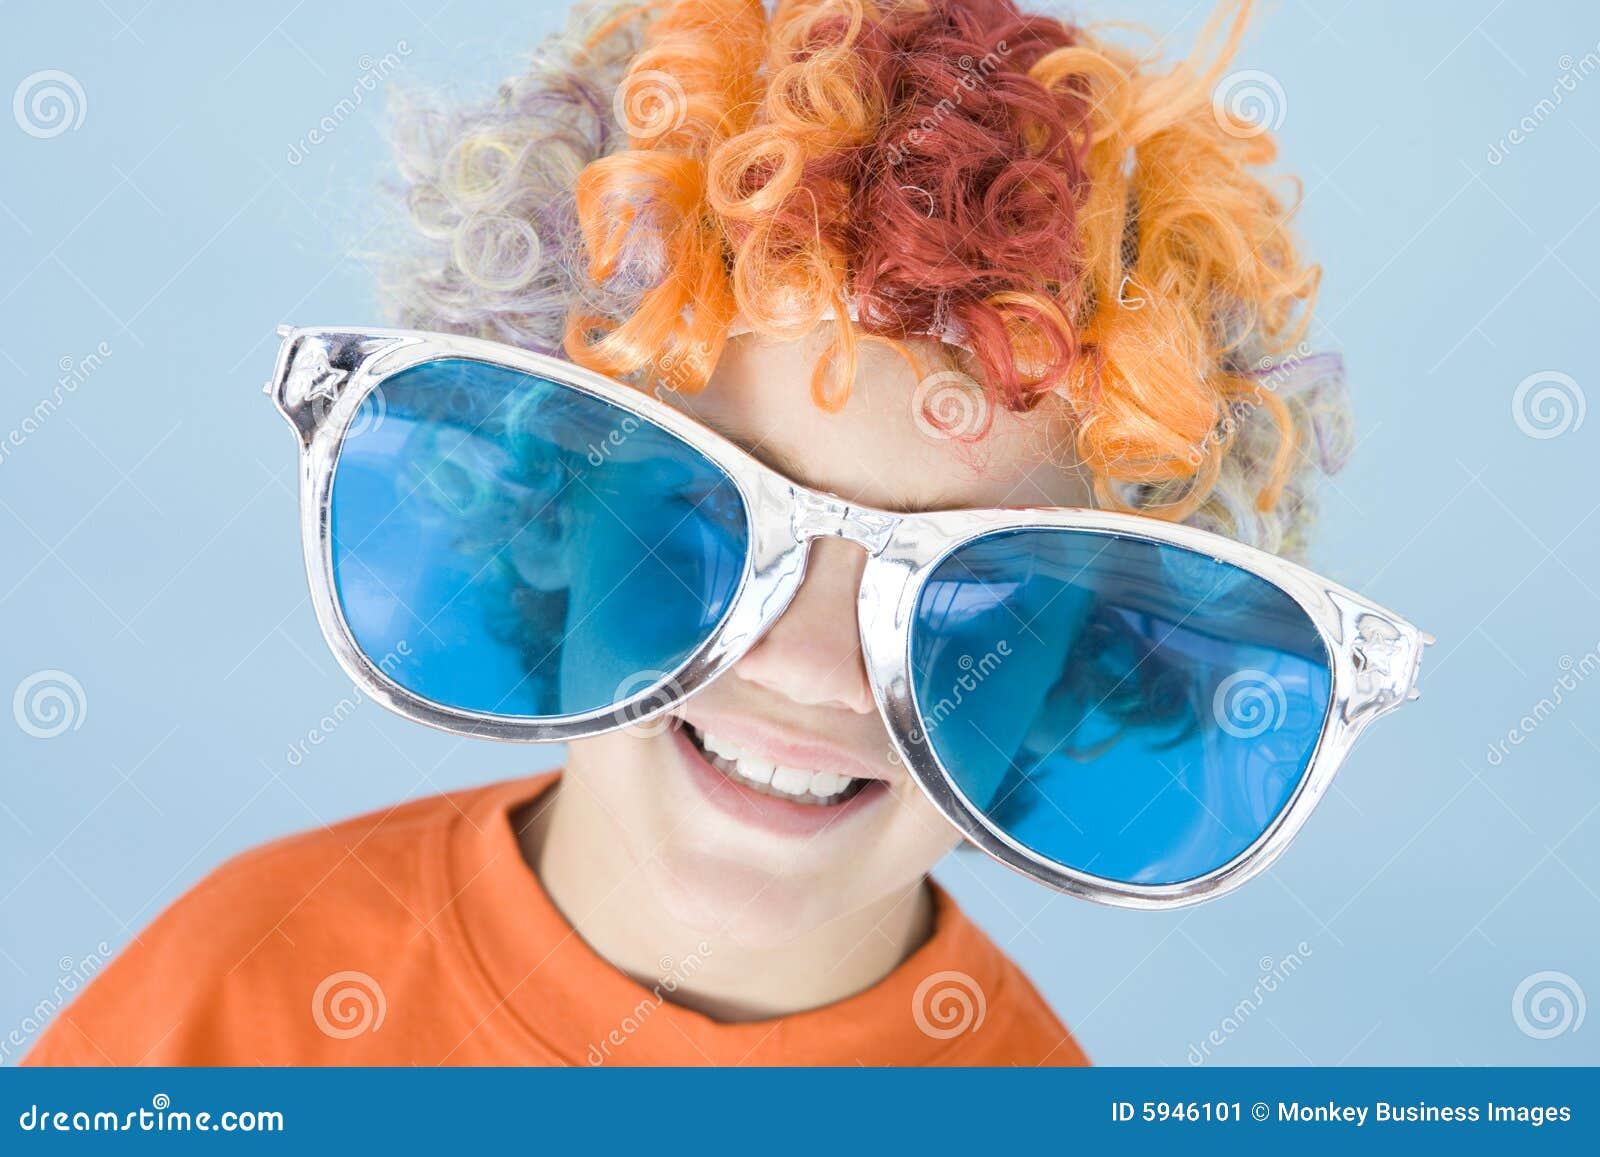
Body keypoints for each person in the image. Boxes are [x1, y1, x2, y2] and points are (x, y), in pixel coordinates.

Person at [27, 0, 1348, 1066]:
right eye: (705, 506)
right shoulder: (237, 1000)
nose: (815, 665)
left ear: (1084, 649)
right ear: (549, 495)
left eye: (969, 584)